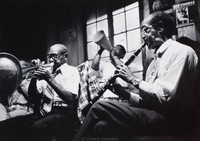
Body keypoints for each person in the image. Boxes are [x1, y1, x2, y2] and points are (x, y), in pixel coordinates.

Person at [72, 11, 198, 141]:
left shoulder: (181, 52)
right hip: (154, 114)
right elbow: (148, 102)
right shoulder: (153, 62)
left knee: (99, 106)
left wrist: (133, 79)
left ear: (160, 28)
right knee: (102, 126)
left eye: (146, 30)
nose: (143, 36)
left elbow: (165, 99)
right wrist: (124, 94)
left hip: (172, 119)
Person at [0, 44, 80, 141]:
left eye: (54, 56)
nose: (51, 59)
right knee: (8, 125)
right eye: (49, 56)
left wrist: (49, 78)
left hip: (64, 114)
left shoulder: (72, 71)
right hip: (44, 112)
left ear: (65, 56)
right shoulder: (47, 71)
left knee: (37, 127)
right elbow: (33, 96)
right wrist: (34, 77)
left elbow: (70, 98)